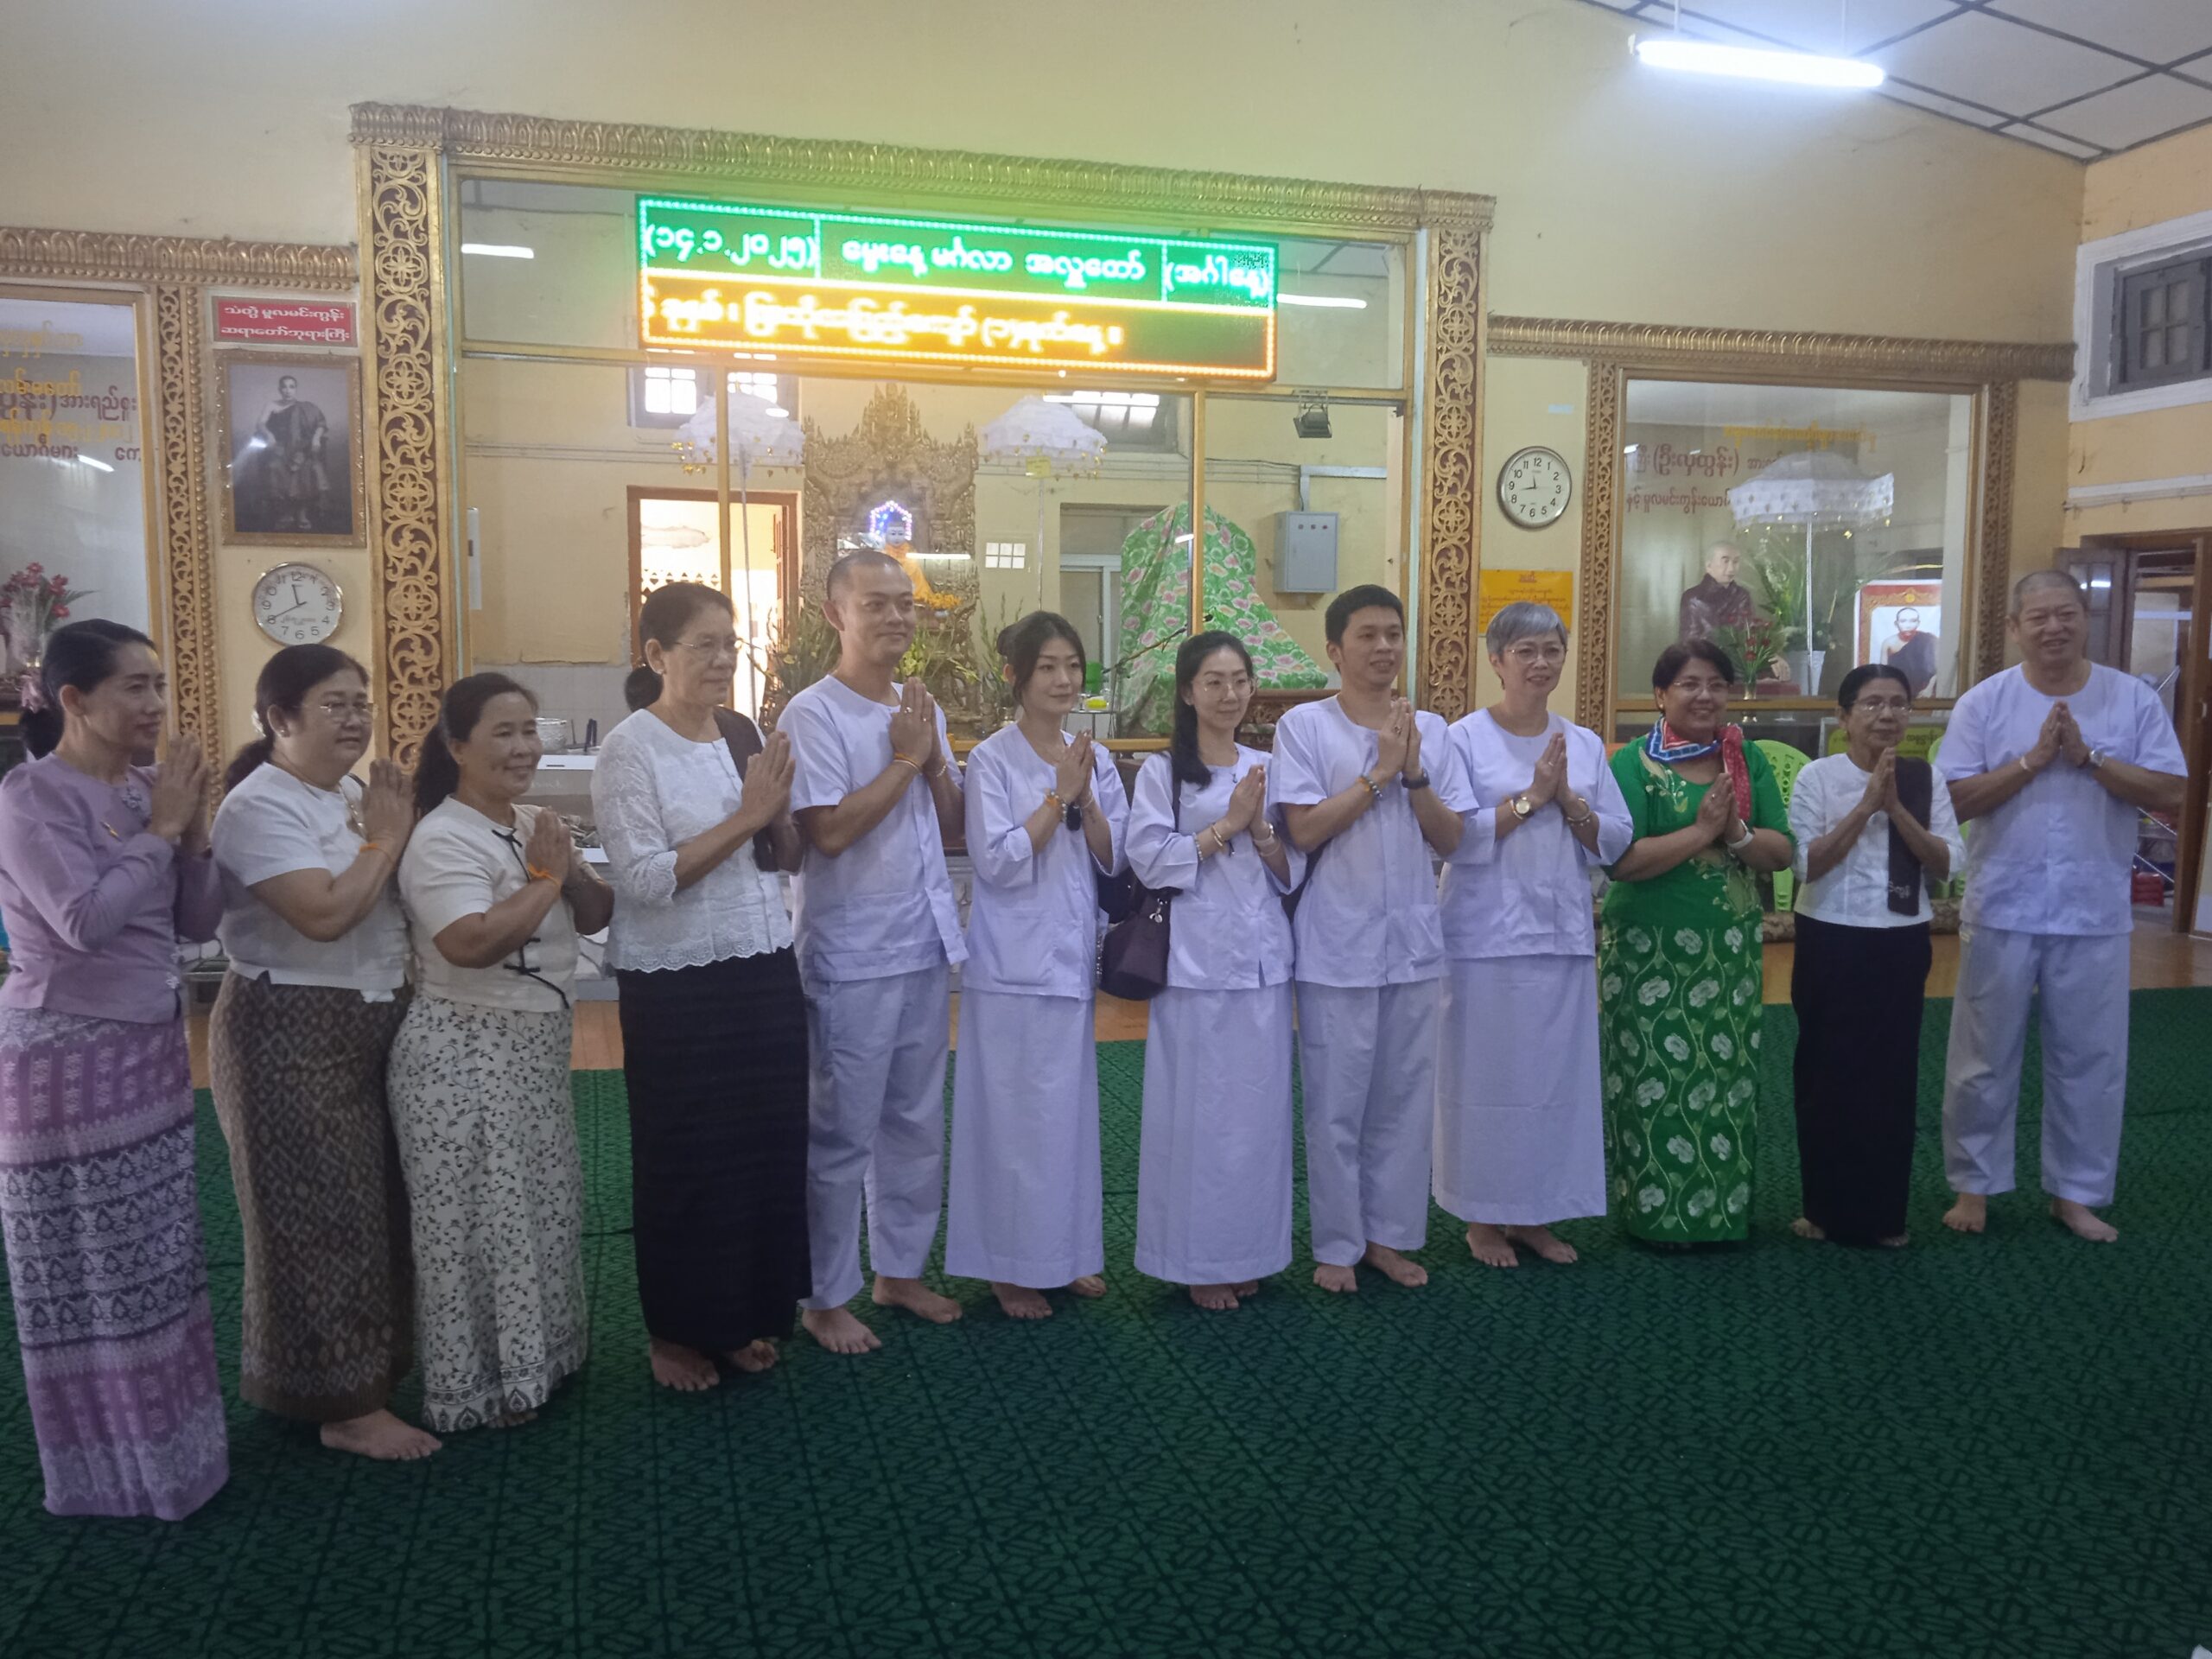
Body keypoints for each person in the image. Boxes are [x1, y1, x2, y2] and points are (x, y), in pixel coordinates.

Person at [0, 621, 228, 1518]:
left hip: (146, 1051)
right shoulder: (32, 795)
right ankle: (105, 1475)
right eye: (135, 687)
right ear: (73, 700)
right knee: (92, 1270)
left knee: (156, 1260)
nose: (155, 704)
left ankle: (177, 1455)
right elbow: (82, 922)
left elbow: (197, 924)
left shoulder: (143, 790)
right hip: (64, 1059)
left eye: (158, 685)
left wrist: (194, 835)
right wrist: (162, 829)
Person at [208, 644, 434, 1459]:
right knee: (318, 1219)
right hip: (290, 1028)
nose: (355, 718)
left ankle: (360, 1376)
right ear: (280, 718)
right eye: (334, 704)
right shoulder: (257, 806)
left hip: (370, 1020)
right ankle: (342, 1407)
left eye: (361, 703)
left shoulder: (349, 795)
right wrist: (387, 840)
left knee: (376, 1207)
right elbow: (326, 914)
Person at [592, 581, 810, 1389]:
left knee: (763, 1147)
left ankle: (742, 1317)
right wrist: (750, 814)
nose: (723, 660)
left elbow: (781, 856)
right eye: (705, 646)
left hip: (761, 962)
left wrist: (778, 817)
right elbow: (646, 880)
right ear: (656, 655)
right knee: (689, 1156)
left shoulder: (742, 731)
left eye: (732, 644)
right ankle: (679, 1334)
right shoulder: (630, 749)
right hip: (678, 983)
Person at [389, 674, 612, 1431]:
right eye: (503, 734)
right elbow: (469, 941)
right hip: (463, 1052)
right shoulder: (440, 836)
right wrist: (546, 879)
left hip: (532, 1050)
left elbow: (596, 913)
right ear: (457, 747)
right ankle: (478, 1384)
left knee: (537, 1208)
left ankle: (538, 1364)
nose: (524, 748)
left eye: (529, 732)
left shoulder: (531, 823)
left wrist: (569, 872)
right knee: (480, 1226)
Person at [1937, 569, 2188, 1243]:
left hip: (2093, 906)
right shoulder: (1985, 702)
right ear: (2015, 628)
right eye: (2039, 617)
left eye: (2066, 614)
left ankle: (2075, 1194)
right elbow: (1953, 799)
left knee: (2091, 1058)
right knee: (1982, 1057)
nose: (2054, 628)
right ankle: (1973, 1186)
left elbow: (2171, 790)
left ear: (2086, 618)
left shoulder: (2129, 698)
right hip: (2003, 903)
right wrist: (2031, 761)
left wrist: (2088, 758)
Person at [781, 550, 968, 1354]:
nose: (896, 617)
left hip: (923, 940)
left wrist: (930, 757)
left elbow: (953, 826)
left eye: (905, 604)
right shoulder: (812, 714)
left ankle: (899, 1270)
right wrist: (906, 759)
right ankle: (824, 1295)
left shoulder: (918, 707)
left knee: (915, 1121)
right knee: (840, 1131)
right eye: (876, 604)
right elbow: (826, 832)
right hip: (851, 952)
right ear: (836, 614)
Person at [1268, 584, 1471, 1293]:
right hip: (1336, 943)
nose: (1384, 647)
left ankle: (1389, 1237)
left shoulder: (1432, 730)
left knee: (1405, 1100)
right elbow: (1302, 829)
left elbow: (1453, 837)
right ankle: (1336, 1245)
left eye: (1394, 634)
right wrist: (1377, 774)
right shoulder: (1305, 726)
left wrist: (1412, 775)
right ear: (1334, 649)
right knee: (1337, 1104)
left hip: (1412, 940)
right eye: (1367, 635)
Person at [1436, 602, 1631, 1269]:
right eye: (1526, 651)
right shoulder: (1462, 739)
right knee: (1486, 1079)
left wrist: (1569, 801)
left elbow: (1615, 840)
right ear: (1496, 661)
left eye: (1552, 650)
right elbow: (1452, 837)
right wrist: (1529, 799)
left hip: (1559, 933)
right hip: (1483, 936)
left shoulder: (1582, 742)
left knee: (1552, 1078)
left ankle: (1534, 1214)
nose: (1541, 663)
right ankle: (1483, 1218)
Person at [945, 611, 1128, 1319]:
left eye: (1072, 666)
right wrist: (1058, 796)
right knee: (1012, 1120)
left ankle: (1063, 1254)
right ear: (1015, 676)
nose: (1063, 679)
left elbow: (1115, 859)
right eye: (1047, 667)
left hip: (1070, 962)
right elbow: (995, 862)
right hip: (1011, 965)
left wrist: (1087, 796)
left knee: (1064, 1118)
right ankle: (1008, 1267)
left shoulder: (1094, 757)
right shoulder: (993, 759)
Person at [1127, 632, 1303, 1311]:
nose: (1229, 694)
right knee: (1199, 1117)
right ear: (1187, 691)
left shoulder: (1270, 766)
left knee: (1257, 1115)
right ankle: (1197, 1261)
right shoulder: (1164, 773)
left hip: (1262, 961)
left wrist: (1260, 832)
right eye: (1213, 682)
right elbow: (1148, 860)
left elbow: (1291, 871)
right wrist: (1226, 827)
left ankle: (1249, 1251)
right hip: (1194, 964)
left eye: (1239, 680)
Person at [1599, 640, 1795, 1245]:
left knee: (1724, 1080)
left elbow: (1779, 851)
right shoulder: (1633, 764)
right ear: (1661, 695)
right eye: (1689, 684)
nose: (1705, 695)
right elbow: (1622, 862)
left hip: (1727, 950)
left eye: (1716, 684)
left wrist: (1734, 832)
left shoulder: (1745, 758)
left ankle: (1718, 1215)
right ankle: (1654, 1217)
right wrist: (1702, 830)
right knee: (1651, 1082)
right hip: (1647, 952)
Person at [1787, 664, 1962, 1248]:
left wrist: (1897, 809)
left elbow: (1948, 864)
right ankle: (1823, 1210)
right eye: (1872, 703)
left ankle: (1884, 1216)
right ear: (1843, 717)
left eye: (1898, 704)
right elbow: (1805, 864)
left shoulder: (1924, 779)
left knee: (1890, 1076)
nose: (1887, 715)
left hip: (1899, 939)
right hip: (1830, 937)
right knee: (1826, 1074)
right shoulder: (1817, 777)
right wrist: (1865, 807)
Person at [249, 373, 330, 534]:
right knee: (275, 468)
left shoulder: (306, 407)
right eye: (284, 387)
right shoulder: (272, 405)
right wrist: (269, 435)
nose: (288, 390)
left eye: (291, 387)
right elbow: (261, 424)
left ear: (296, 389)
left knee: (307, 469)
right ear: (280, 389)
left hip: (302, 448)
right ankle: (285, 514)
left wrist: (316, 439)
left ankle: (302, 514)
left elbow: (321, 423)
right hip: (280, 448)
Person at [1677, 542, 1758, 644]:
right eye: (1725, 561)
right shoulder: (1693, 597)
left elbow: (1749, 634)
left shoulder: (1742, 595)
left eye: (1735, 562)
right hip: (1703, 652)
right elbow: (1689, 639)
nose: (1731, 568)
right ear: (1709, 566)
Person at [1879, 607, 1941, 697]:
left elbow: (1940, 669)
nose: (1908, 626)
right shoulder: (1889, 643)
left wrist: (1929, 689)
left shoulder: (1930, 640)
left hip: (1924, 693)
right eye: (1903, 621)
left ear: (1918, 623)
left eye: (1913, 621)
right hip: (1897, 692)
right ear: (1896, 624)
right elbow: (1883, 673)